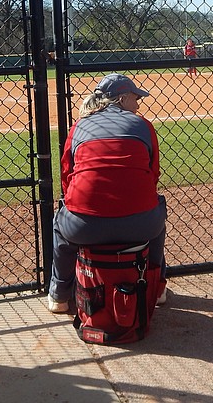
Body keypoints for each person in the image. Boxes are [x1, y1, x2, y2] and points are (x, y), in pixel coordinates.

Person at [48, 73, 167, 312]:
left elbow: (66, 175)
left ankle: (59, 296)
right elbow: (153, 174)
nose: (138, 104)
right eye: (135, 98)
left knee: (60, 225)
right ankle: (157, 289)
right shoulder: (144, 125)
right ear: (122, 99)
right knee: (158, 213)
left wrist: (81, 206)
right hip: (141, 224)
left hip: (83, 226)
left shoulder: (79, 126)